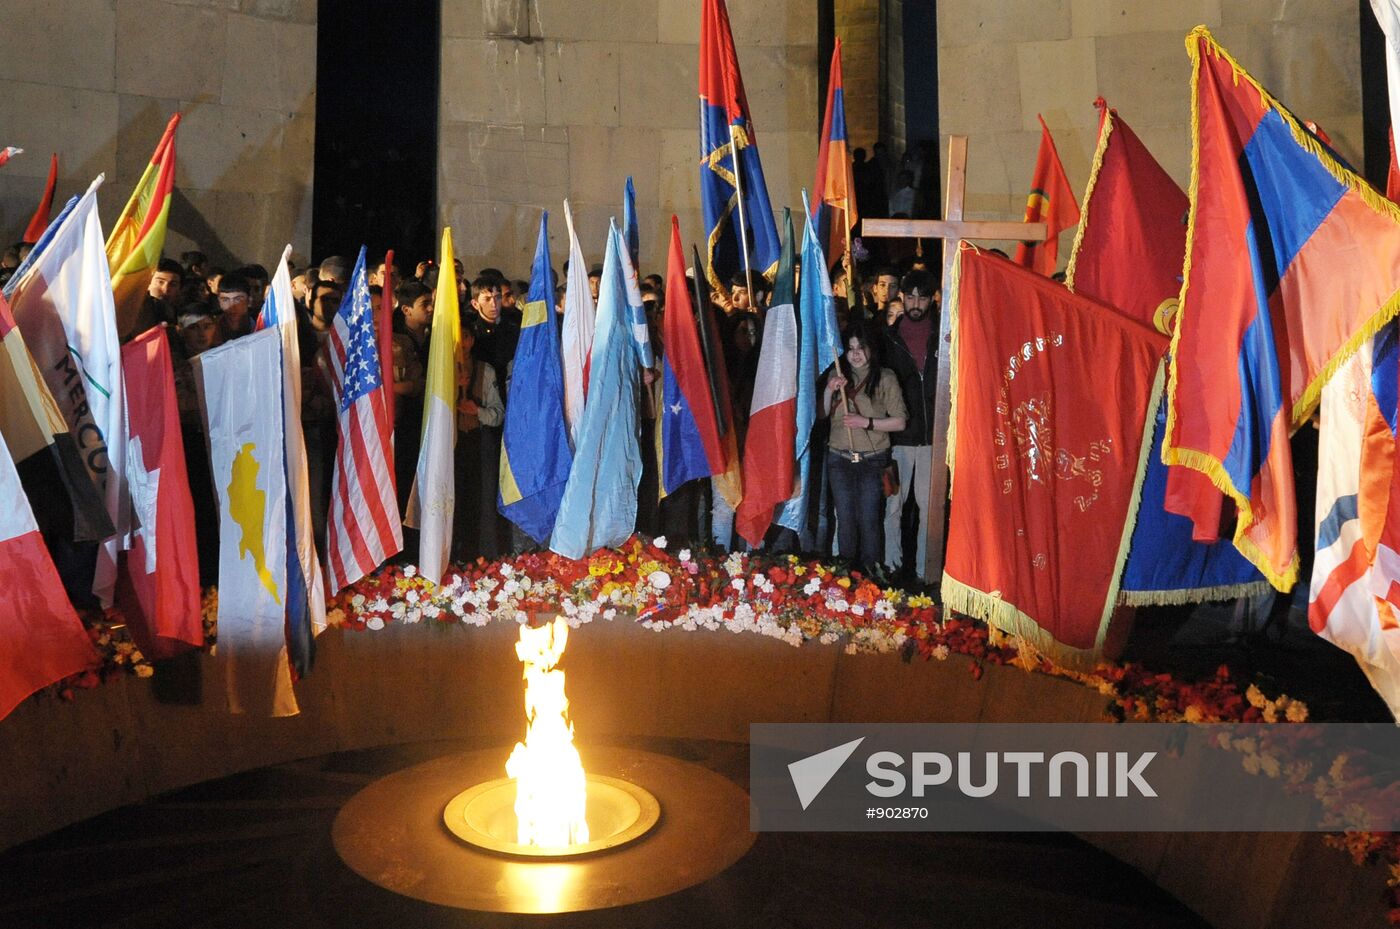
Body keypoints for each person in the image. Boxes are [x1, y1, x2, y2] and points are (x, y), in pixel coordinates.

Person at [824, 323, 906, 572]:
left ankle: (871, 576)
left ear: (871, 348)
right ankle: (846, 576)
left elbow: (900, 422)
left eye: (861, 347)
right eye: (850, 349)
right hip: (839, 458)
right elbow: (822, 414)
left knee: (870, 520)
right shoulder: (837, 373)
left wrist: (866, 422)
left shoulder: (885, 377)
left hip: (872, 459)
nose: (855, 354)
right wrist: (828, 390)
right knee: (845, 519)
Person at [881, 268, 938, 579]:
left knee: (929, 509)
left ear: (932, 299)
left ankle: (925, 571)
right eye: (911, 297)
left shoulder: (944, 335)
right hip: (897, 438)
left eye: (923, 298)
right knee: (893, 505)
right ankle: (891, 566)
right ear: (902, 297)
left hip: (931, 438)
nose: (916, 303)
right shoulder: (888, 339)